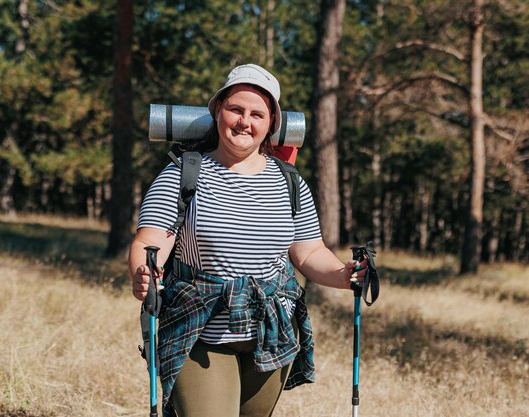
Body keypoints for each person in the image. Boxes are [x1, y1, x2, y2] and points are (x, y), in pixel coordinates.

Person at [128, 63, 367, 417]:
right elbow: (152, 239)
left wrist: (344, 274)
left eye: (257, 114)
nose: (244, 121)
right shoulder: (183, 173)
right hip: (200, 331)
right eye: (235, 110)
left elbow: (308, 251)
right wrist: (144, 272)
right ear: (217, 112)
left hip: (270, 331)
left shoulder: (289, 183)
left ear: (271, 123)